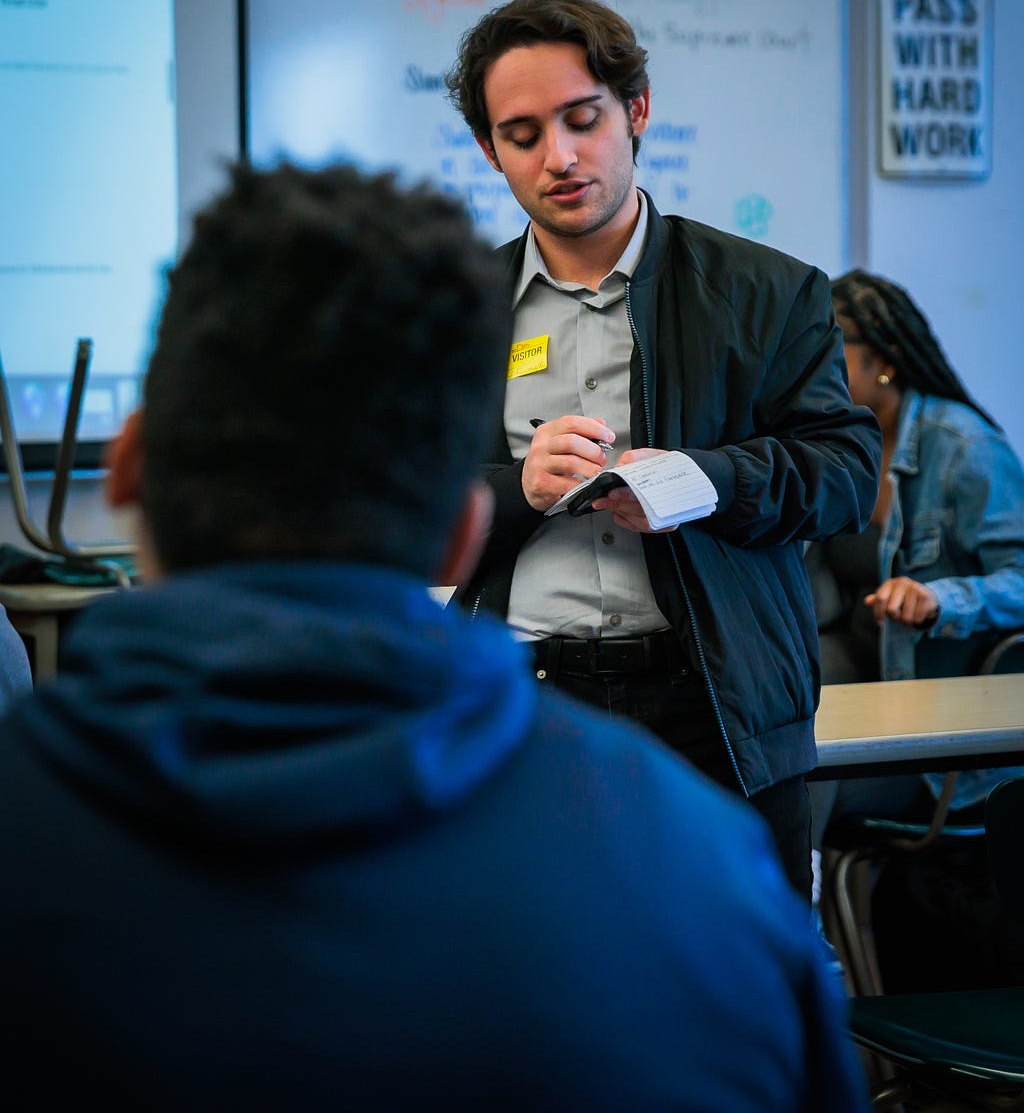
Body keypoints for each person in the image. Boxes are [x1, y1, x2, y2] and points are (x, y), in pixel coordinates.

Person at [0, 162, 868, 1109]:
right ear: (464, 527)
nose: (559, 156)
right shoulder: (699, 871)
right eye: (521, 132)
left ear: (126, 470)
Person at [444, 0, 882, 899]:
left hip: (712, 709)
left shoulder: (768, 291)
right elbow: (398, 506)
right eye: (523, 135)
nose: (559, 157)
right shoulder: (453, 315)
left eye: (582, 119)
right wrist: (517, 489)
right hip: (526, 706)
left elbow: (844, 474)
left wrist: (705, 480)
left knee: (732, 1010)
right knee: (540, 1006)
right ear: (490, 151)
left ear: (635, 110)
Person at [808, 268, 1024, 842]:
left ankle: (801, 922)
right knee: (769, 735)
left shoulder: (965, 448)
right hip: (865, 685)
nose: (812, 370)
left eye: (829, 351)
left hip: (941, 739)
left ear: (884, 360)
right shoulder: (835, 445)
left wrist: (938, 599)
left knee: (799, 780)